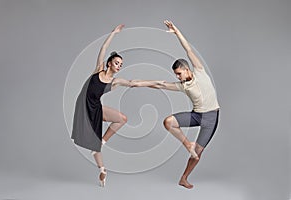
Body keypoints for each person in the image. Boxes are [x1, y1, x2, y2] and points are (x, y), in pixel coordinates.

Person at [71, 24, 163, 187]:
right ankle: (100, 152)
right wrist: (114, 33)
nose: (119, 65)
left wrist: (153, 83)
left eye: (121, 64)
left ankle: (102, 170)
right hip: (84, 107)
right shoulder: (98, 70)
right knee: (94, 141)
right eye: (117, 62)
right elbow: (104, 47)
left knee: (121, 120)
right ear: (109, 64)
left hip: (96, 107)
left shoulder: (115, 82)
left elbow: (132, 83)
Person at [132, 20, 220, 189]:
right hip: (196, 115)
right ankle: (188, 144)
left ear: (187, 69)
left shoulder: (200, 71)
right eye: (176, 75)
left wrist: (176, 32)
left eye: (179, 73)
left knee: (196, 155)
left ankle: (184, 178)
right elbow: (160, 85)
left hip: (211, 117)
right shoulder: (182, 86)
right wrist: (137, 83)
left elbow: (188, 49)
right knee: (168, 122)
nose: (178, 77)